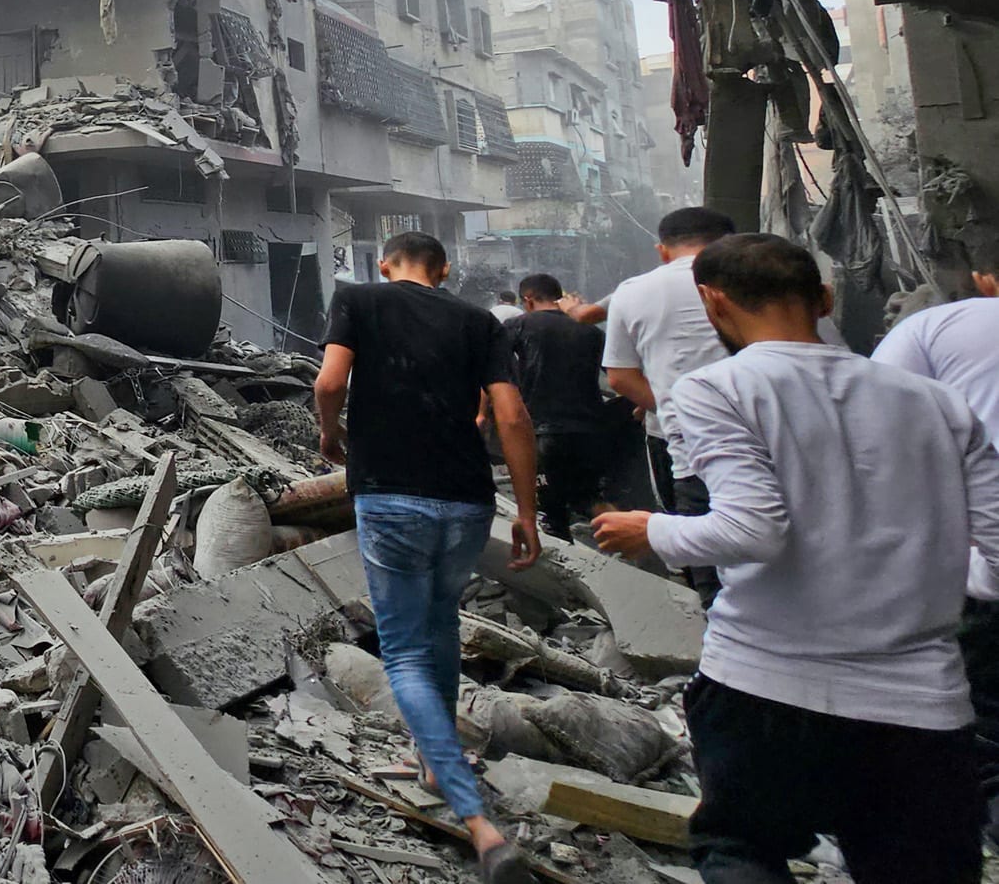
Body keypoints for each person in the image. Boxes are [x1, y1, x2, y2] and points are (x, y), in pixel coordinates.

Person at [593, 235, 999, 882]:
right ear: (826, 299)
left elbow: (754, 528)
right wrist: (934, 578)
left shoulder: (714, 390)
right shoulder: (936, 401)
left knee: (739, 846)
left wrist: (655, 529)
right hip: (919, 706)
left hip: (767, 688)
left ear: (713, 303)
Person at [315, 231, 540, 883]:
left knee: (406, 650)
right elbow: (512, 414)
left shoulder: (357, 297)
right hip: (467, 502)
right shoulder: (478, 320)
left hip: (390, 497)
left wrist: (332, 434)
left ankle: (480, 824)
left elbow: (330, 381)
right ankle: (437, 764)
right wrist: (525, 510)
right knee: (440, 626)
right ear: (444, 269)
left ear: (385, 264)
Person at [872, 237, 999, 848]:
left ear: (985, 279)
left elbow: (880, 445)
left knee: (988, 738)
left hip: (980, 568)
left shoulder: (936, 329)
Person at [599, 205, 736, 601]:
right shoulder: (756, 282)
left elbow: (620, 377)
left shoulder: (633, 291)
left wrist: (675, 407)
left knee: (707, 567)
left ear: (662, 250)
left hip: (684, 447)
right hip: (773, 444)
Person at [502, 274, 621, 541]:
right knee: (587, 497)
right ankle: (638, 545)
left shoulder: (519, 325)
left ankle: (555, 577)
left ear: (528, 300)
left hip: (544, 430)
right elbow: (614, 375)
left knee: (550, 513)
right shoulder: (590, 330)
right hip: (590, 428)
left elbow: (494, 371)